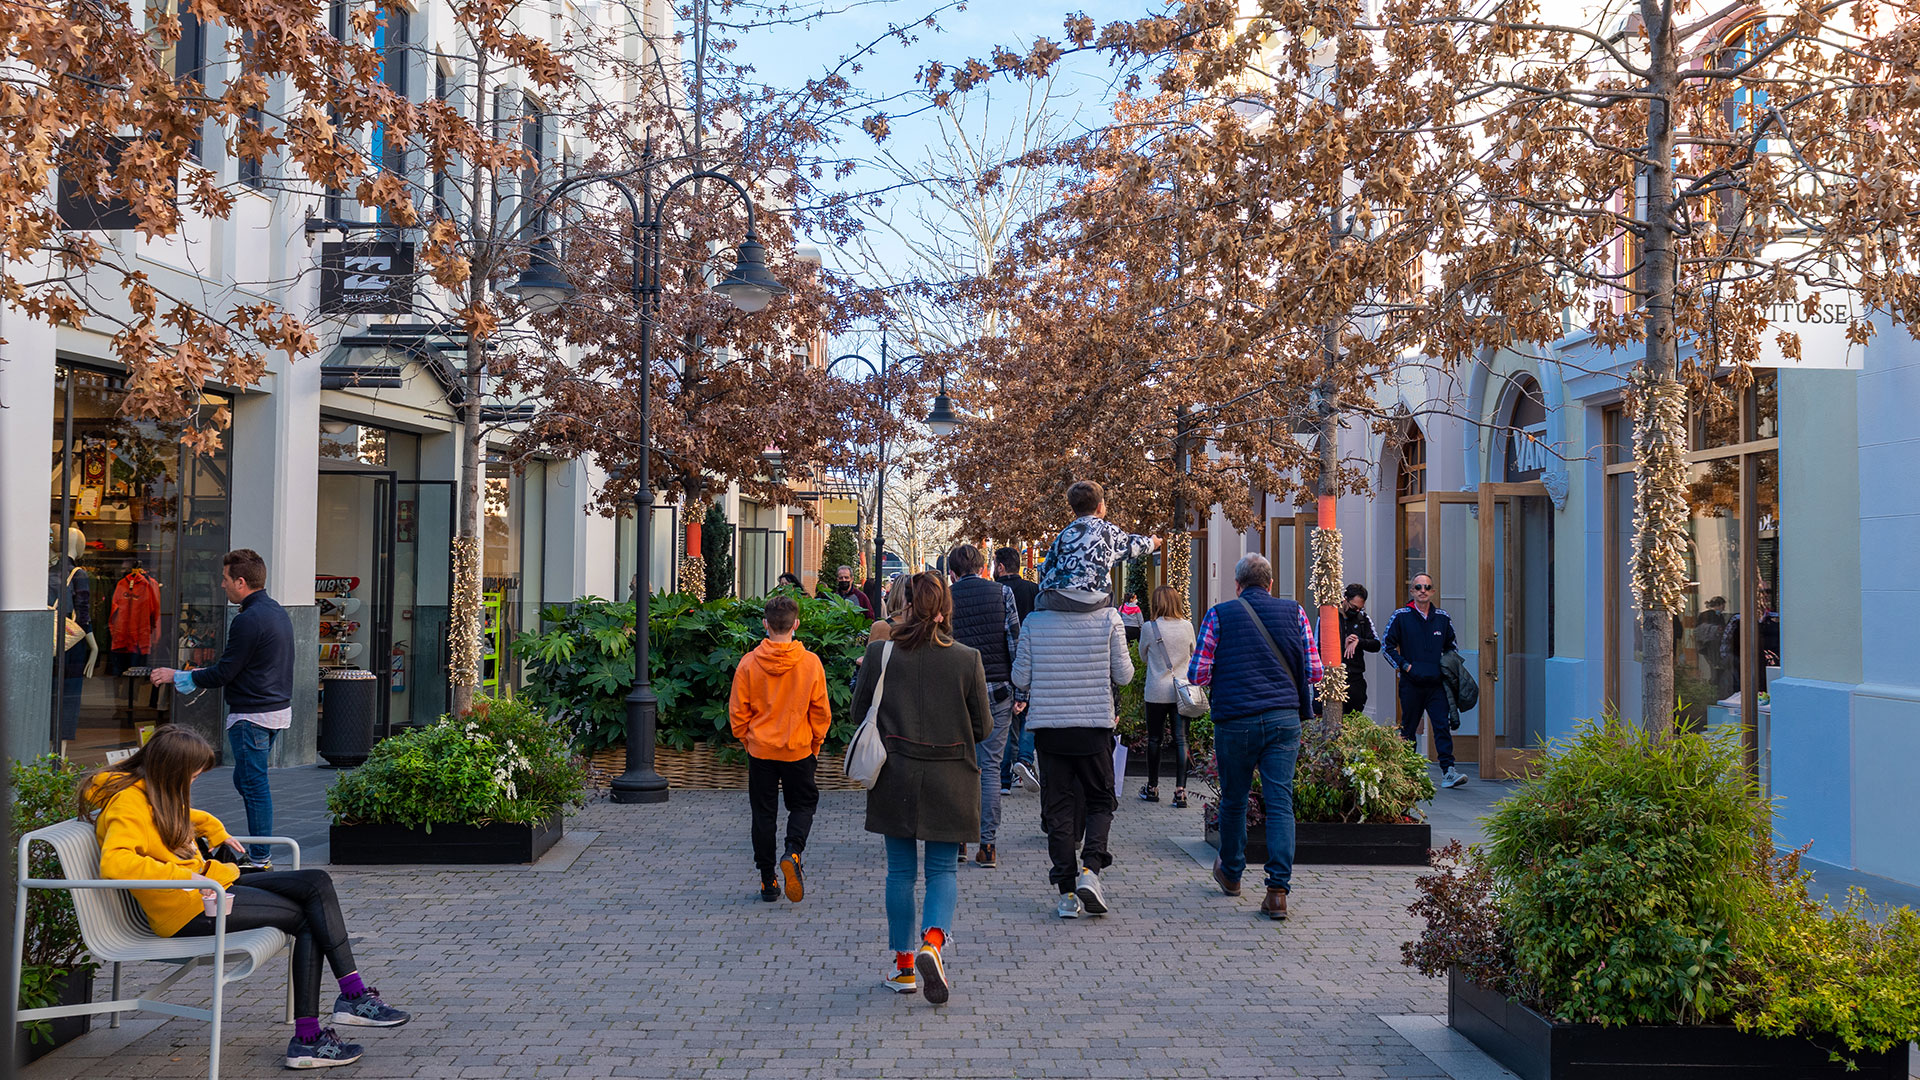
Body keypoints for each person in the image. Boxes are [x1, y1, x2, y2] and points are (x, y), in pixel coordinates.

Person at [80, 727, 410, 1068]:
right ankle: (311, 1038)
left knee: (316, 882)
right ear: (171, 771)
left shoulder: (149, 790)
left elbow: (166, 817)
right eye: (191, 776)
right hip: (186, 910)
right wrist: (187, 875)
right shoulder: (127, 803)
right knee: (307, 917)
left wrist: (211, 825)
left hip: (207, 890)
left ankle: (352, 996)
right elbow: (116, 862)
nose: (192, 784)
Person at [853, 573, 992, 1003]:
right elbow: (984, 728)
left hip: (895, 773)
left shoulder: (880, 653)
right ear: (946, 608)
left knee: (899, 872)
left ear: (905, 604)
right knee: (942, 870)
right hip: (950, 775)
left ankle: (904, 967)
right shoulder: (967, 658)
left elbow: (859, 711)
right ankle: (932, 940)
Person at [1189, 553, 1322, 921]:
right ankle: (1277, 890)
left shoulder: (1219, 615)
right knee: (1280, 802)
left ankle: (1231, 873)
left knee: (1234, 799)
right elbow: (1315, 670)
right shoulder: (1295, 613)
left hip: (1235, 721)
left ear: (1237, 585)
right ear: (1271, 584)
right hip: (1283, 719)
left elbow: (1197, 673)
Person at [149, 549, 295, 866]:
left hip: (252, 715)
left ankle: (260, 858)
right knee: (245, 781)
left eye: (226, 579)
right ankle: (259, 854)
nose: (222, 585)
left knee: (254, 787)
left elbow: (224, 672)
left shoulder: (248, 620)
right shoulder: (275, 611)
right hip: (274, 711)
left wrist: (178, 676)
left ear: (241, 582)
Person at [1011, 581, 1133, 919]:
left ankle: (1066, 894)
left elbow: (1020, 676)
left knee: (1058, 810)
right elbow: (1124, 676)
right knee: (1100, 800)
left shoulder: (1035, 620)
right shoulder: (1110, 618)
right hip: (1094, 727)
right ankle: (1091, 870)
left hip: (1050, 729)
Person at [729, 594, 832, 904]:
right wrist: (815, 744)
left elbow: (737, 713)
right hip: (798, 749)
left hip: (761, 750)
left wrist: (748, 739)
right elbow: (821, 712)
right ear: (796, 625)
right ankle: (793, 852)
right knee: (803, 805)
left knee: (763, 814)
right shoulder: (810, 663)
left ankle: (767, 880)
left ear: (765, 624)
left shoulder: (748, 663)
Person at [946, 544, 1020, 869]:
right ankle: (987, 846)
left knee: (959, 764)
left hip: (956, 692)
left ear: (953, 571)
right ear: (983, 566)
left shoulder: (946, 598)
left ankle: (959, 840)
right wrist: (1021, 692)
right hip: (998, 690)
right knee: (990, 767)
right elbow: (1013, 643)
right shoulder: (1003, 594)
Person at [1381, 573, 1468, 790]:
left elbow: (1452, 647)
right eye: (1418, 587)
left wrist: (1445, 666)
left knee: (1441, 725)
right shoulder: (1401, 616)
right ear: (1412, 591)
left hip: (1437, 684)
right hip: (1411, 683)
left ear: (1433, 591)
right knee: (1409, 728)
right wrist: (1405, 666)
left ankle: (1449, 771)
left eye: (1427, 587)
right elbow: (1387, 646)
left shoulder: (1443, 617)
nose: (1423, 590)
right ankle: (1408, 772)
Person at [1036, 480, 1162, 594]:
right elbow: (1130, 545)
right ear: (1100, 507)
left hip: (1058, 594)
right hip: (1092, 594)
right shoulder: (1107, 531)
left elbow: (1047, 566)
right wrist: (1152, 542)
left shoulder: (1065, 534)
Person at [1137, 585, 1198, 807]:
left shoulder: (1149, 627)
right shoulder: (1187, 626)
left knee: (1154, 739)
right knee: (1182, 739)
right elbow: (1194, 652)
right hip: (1181, 691)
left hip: (1156, 691)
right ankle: (1180, 791)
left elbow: (1143, 656)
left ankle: (1152, 787)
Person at [992, 548, 1040, 794]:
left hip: (1002, 663)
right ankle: (1023, 759)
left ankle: (1004, 780)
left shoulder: (996, 591)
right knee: (1028, 717)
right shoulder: (1033, 590)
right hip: (1031, 661)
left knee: (1006, 722)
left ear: (1000, 567)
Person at [1338, 584, 1382, 716]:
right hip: (1335, 676)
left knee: (1354, 716)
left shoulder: (1362, 618)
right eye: (1353, 607)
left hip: (1355, 677)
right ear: (1345, 599)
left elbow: (1376, 644)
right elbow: (1320, 644)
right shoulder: (1331, 616)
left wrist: (1359, 641)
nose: (1356, 611)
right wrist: (1342, 645)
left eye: (1360, 608)